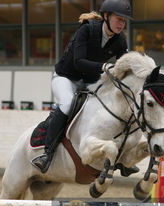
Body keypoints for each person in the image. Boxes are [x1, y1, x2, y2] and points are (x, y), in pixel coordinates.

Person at [32, 0, 136, 174]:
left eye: (124, 21)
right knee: (67, 104)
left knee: (110, 108)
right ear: (106, 16)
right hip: (66, 77)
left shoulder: (120, 40)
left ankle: (120, 159)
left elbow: (123, 65)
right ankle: (46, 154)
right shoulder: (87, 30)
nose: (121, 24)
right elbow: (78, 62)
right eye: (118, 19)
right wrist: (104, 67)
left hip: (89, 81)